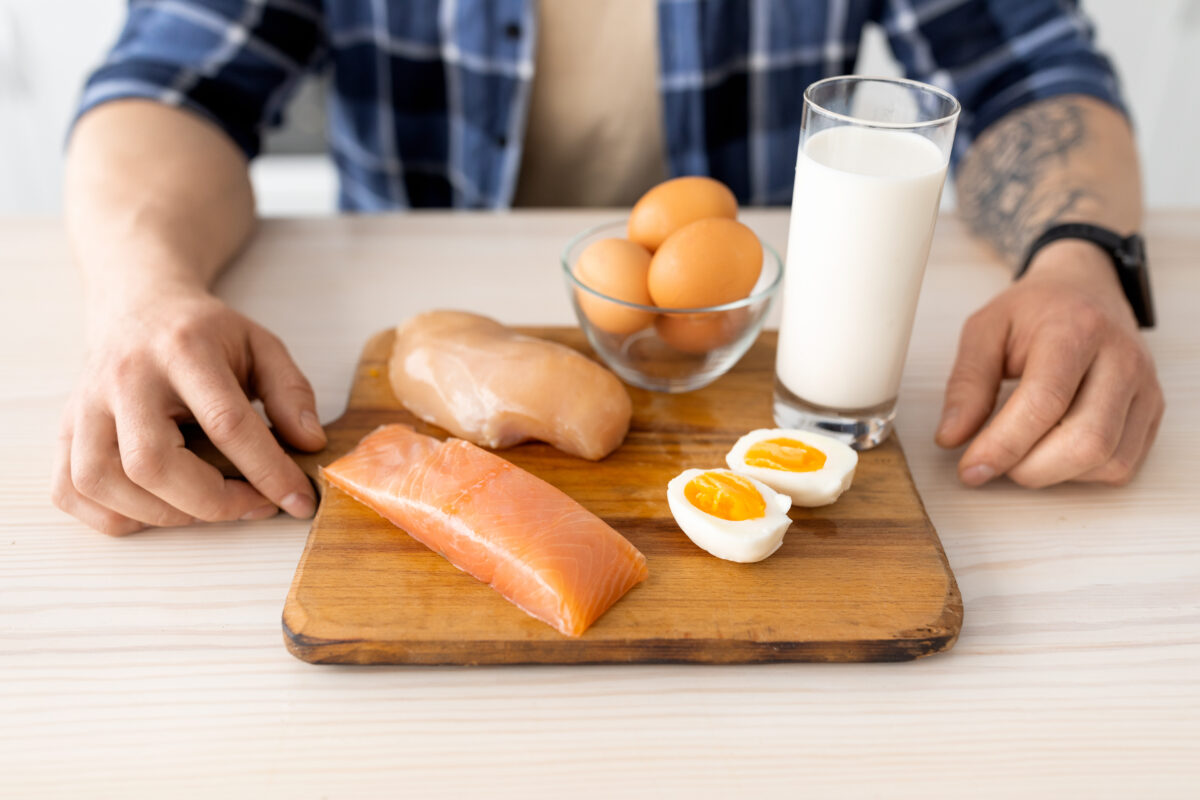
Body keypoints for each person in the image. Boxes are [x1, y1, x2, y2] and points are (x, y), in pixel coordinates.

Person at [53, 0, 1163, 536]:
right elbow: (170, 84)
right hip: (413, 314)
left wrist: (1083, 261)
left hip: (734, 347)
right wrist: (144, 287)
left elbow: (1030, 73)